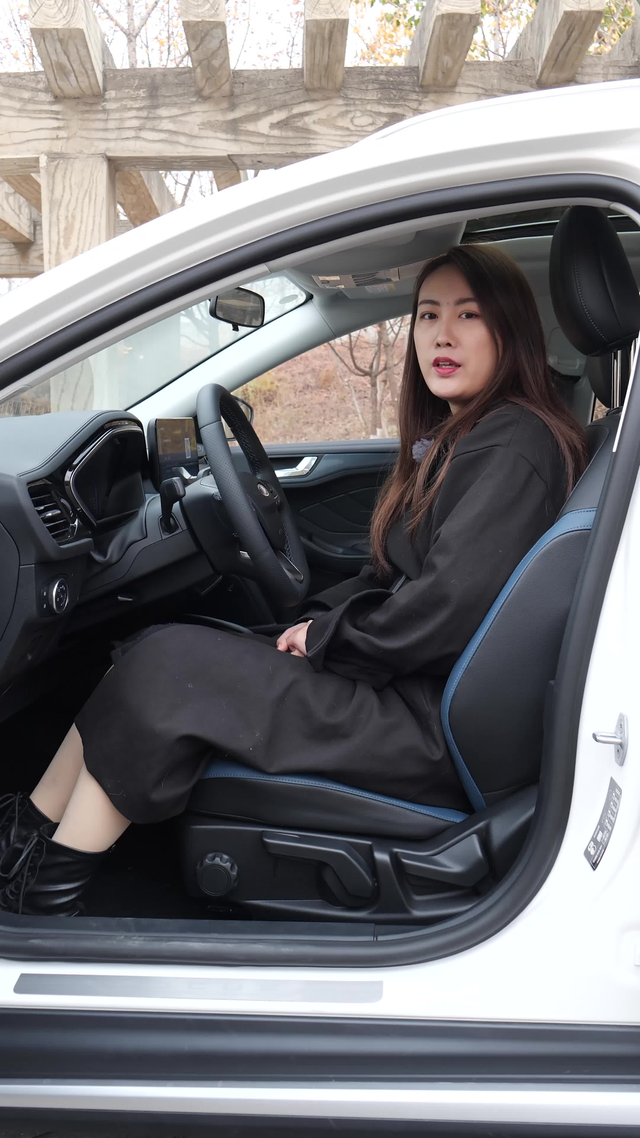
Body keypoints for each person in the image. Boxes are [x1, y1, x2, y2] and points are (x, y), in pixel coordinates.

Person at [0, 243, 588, 916]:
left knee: (168, 668)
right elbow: (394, 575)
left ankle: (43, 896)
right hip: (413, 685)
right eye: (428, 315)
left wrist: (329, 639)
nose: (441, 335)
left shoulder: (514, 443)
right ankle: (27, 838)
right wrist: (311, 624)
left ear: (511, 330)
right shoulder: (469, 436)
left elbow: (447, 608)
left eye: (469, 315)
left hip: (427, 725)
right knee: (152, 652)